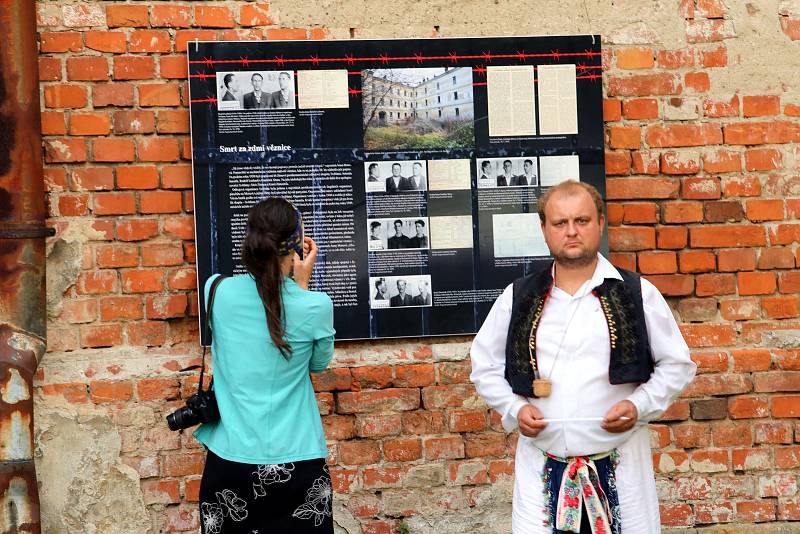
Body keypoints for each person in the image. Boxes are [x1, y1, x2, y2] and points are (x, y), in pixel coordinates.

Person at [470, 181, 696, 534]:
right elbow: (484, 367)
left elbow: (677, 365)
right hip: (540, 472)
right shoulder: (518, 296)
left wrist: (639, 405)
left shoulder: (637, 292)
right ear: (544, 229)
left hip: (622, 470)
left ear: (600, 223)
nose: (571, 231)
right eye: (560, 223)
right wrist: (514, 410)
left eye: (582, 220)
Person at [195, 198, 335, 533]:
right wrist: (302, 287)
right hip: (298, 461)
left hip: (229, 461)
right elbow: (316, 365)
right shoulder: (315, 306)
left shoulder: (215, 291)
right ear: (296, 247)